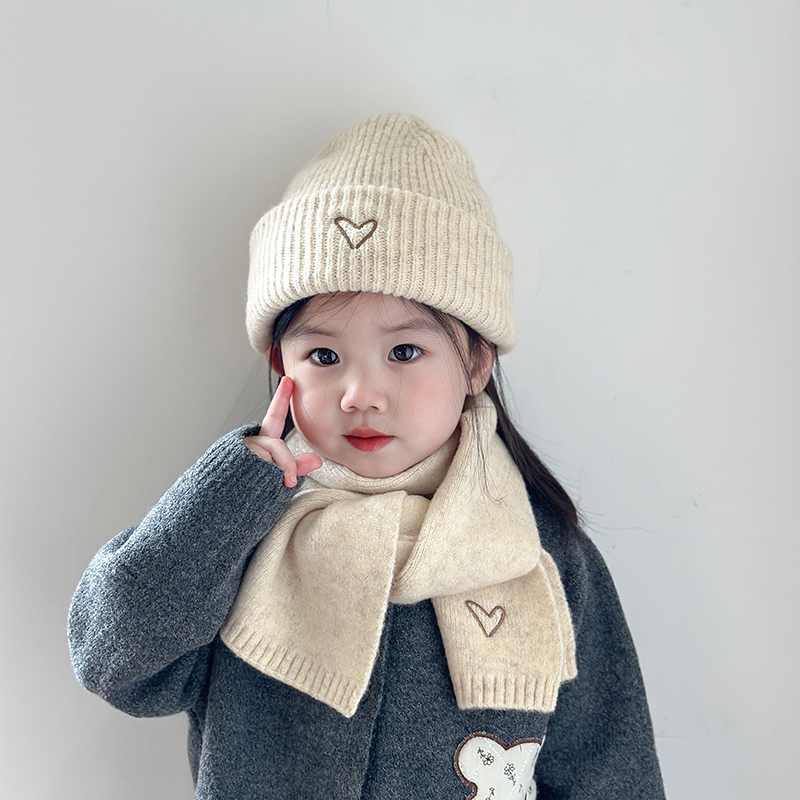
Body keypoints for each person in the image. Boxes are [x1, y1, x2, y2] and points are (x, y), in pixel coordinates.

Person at [68, 113, 665, 800]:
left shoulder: (539, 553)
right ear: (281, 364)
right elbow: (114, 662)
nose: (361, 394)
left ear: (476, 362)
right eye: (324, 356)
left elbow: (613, 774)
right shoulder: (241, 526)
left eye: (405, 351)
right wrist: (231, 492)